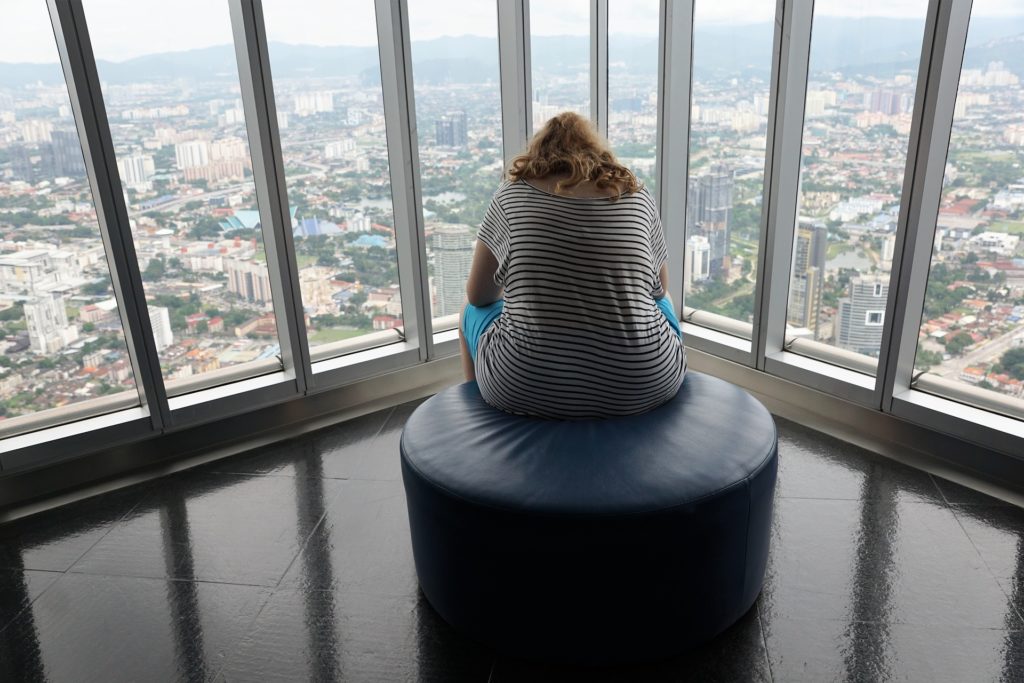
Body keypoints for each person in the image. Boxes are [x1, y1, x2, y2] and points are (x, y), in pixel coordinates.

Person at [459, 111, 686, 419]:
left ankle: (476, 413)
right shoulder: (635, 194)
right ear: (597, 151)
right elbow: (659, 289)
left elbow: (478, 296)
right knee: (666, 302)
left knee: (467, 311)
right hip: (645, 381)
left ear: (539, 152)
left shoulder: (510, 197)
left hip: (521, 386)